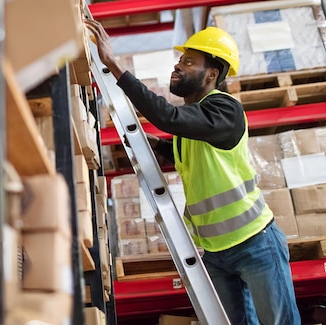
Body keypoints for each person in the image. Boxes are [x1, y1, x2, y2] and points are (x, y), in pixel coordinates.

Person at [85, 19, 301, 325]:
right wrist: (147, 142)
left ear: (211, 74)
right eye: (180, 59)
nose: (178, 65)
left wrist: (114, 65)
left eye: (189, 61)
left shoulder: (225, 109)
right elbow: (181, 149)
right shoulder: (196, 125)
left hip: (254, 243)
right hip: (215, 252)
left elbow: (168, 117)